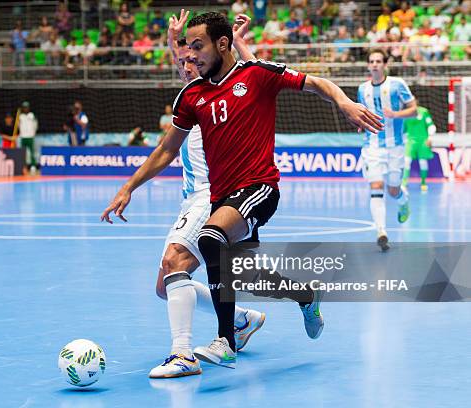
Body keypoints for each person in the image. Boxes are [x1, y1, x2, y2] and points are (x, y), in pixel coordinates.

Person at [102, 11, 382, 370]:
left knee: (209, 238)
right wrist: (128, 187)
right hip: (222, 198)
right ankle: (306, 295)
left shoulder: (258, 74)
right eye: (187, 49)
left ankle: (225, 341)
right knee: (244, 276)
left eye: (198, 47)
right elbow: (166, 150)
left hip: (258, 188)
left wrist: (343, 101)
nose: (192, 56)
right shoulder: (192, 95)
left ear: (223, 44)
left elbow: (316, 83)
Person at [147, 11, 265, 379]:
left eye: (192, 56)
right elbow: (181, 61)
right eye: (181, 60)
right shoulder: (190, 94)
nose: (185, 65)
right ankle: (242, 319)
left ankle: (182, 354)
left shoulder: (219, 88)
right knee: (164, 286)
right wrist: (172, 39)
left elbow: (255, 73)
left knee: (175, 262)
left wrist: (240, 41)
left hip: (210, 194)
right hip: (192, 197)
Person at [357, 49, 417, 251]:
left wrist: (396, 114)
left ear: (384, 64)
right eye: (371, 61)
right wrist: (361, 122)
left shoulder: (397, 84)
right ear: (368, 65)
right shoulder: (362, 89)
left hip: (395, 147)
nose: (374, 64)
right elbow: (362, 113)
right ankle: (381, 232)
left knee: (393, 190)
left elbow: (414, 110)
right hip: (371, 147)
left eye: (378, 61)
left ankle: (403, 200)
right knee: (376, 186)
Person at [402, 105, 435, 192]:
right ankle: (404, 183)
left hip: (423, 141)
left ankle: (423, 183)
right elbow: (403, 130)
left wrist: (430, 138)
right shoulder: (405, 113)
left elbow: (431, 126)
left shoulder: (423, 111)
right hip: (410, 142)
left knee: (423, 162)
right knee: (406, 161)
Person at [18, 101, 38, 173]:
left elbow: (35, 125)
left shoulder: (32, 115)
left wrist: (33, 133)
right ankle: (24, 166)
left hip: (30, 136)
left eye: (27, 107)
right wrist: (21, 133)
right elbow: (18, 126)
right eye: (24, 107)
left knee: (32, 151)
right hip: (23, 137)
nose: (25, 109)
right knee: (23, 152)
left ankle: (33, 165)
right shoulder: (20, 116)